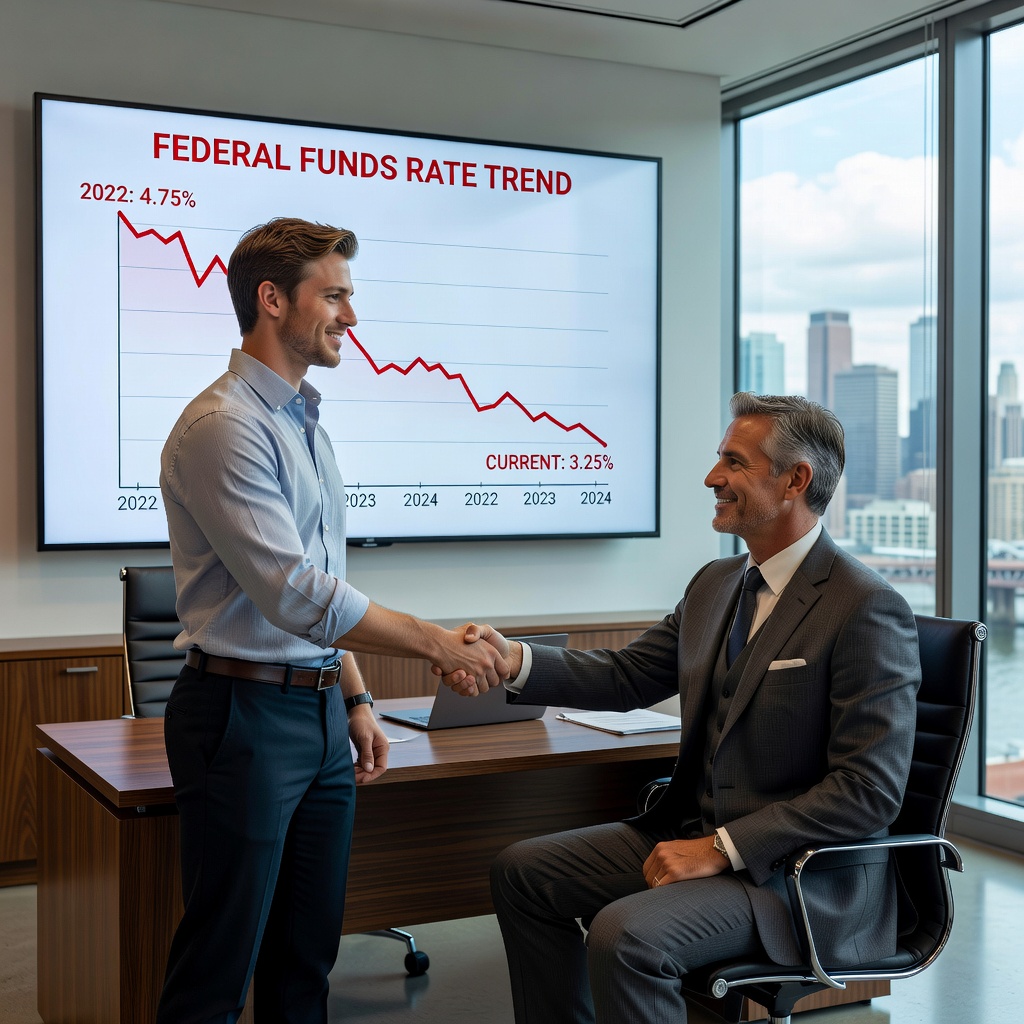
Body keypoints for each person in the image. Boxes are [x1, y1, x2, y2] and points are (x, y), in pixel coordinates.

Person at [444, 392, 921, 1024]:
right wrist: (516, 662)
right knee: (523, 873)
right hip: (691, 834)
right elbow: (629, 675)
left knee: (625, 934)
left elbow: (868, 791)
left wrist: (721, 847)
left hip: (792, 881)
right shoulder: (716, 584)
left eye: (734, 462)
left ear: (795, 481)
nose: (711, 478)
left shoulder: (865, 607)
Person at [156, 217, 509, 1024]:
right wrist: (432, 642)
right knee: (219, 966)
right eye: (337, 295)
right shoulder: (224, 427)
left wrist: (352, 700)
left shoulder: (302, 421)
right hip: (241, 717)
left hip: (315, 713)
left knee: (306, 962)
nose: (351, 316)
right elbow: (292, 594)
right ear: (272, 299)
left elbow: (325, 584)